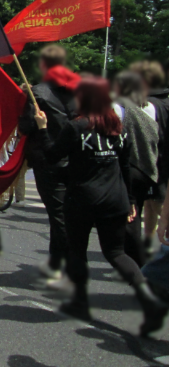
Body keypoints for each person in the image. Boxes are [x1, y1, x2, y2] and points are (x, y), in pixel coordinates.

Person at [33, 77, 168, 334]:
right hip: (114, 198)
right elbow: (125, 165)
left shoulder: (76, 127)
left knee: (77, 252)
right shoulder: (117, 127)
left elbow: (51, 156)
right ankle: (149, 296)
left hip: (82, 198)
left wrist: (43, 128)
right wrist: (130, 200)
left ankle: (80, 302)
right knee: (116, 253)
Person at [18, 44, 79, 283]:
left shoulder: (38, 94)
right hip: (77, 156)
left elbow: (25, 127)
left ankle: (63, 263)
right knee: (69, 213)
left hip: (48, 157)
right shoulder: (79, 90)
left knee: (58, 215)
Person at [114, 71, 160, 267]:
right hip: (147, 167)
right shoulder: (150, 107)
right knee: (137, 211)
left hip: (129, 166)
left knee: (129, 217)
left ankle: (136, 264)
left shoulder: (118, 108)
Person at [131, 60, 169, 254]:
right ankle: (148, 243)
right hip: (161, 159)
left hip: (155, 161)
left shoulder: (147, 105)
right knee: (150, 203)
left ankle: (152, 244)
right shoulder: (165, 100)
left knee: (159, 204)